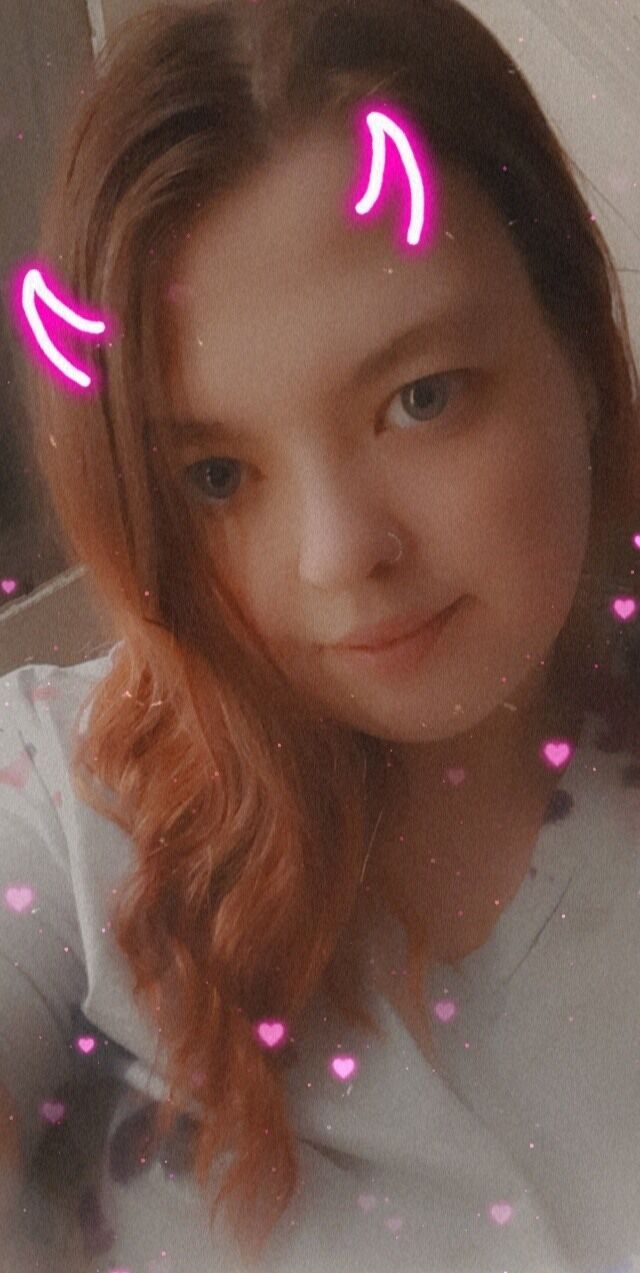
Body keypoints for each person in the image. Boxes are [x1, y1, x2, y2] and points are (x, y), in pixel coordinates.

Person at [1, 0, 640, 1270]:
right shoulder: (63, 805)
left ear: (573, 339)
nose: (339, 553)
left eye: (419, 398)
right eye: (216, 478)